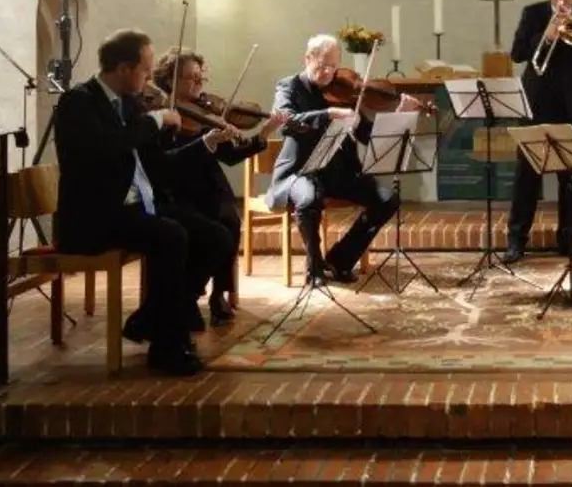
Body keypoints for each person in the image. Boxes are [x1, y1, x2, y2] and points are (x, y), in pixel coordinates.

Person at [52, 29, 206, 375]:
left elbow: (150, 158)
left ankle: (151, 320)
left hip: (133, 208)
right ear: (122, 68)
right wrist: (152, 121)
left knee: (209, 234)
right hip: (94, 217)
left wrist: (165, 131)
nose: (150, 78)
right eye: (145, 70)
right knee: (171, 236)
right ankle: (167, 347)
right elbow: (106, 149)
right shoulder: (78, 102)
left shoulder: (128, 102)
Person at [151, 48, 293, 326]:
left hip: (209, 185)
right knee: (210, 225)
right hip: (179, 190)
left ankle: (218, 293)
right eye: (191, 79)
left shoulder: (207, 113)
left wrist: (263, 133)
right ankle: (188, 296)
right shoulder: (162, 115)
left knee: (229, 218)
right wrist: (205, 141)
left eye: (200, 78)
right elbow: (166, 164)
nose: (198, 85)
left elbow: (229, 157)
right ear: (170, 80)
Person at [266, 34, 420, 286]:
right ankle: (314, 268)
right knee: (309, 196)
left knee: (387, 199)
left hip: (338, 173)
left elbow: (367, 136)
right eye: (322, 65)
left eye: (334, 66)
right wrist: (328, 113)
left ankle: (340, 259)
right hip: (300, 171)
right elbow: (288, 122)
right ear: (307, 58)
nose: (329, 72)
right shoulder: (289, 86)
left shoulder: (344, 93)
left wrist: (398, 115)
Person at [504, 0, 572, 263]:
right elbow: (518, 53)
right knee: (527, 174)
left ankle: (570, 239)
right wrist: (546, 34)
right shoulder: (533, 13)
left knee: (570, 174)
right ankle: (517, 240)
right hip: (536, 101)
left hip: (571, 102)